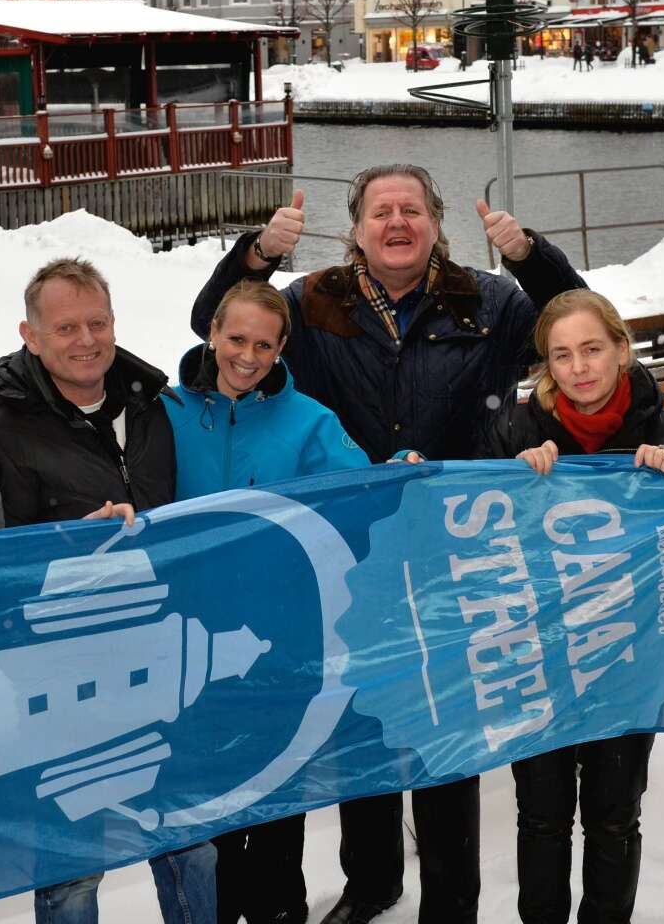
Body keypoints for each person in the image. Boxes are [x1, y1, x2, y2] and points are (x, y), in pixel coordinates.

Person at [190, 165, 585, 924]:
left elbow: (574, 317)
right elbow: (216, 324)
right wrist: (258, 255)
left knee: (445, 729)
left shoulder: (490, 301)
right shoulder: (311, 302)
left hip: (456, 547)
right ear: (357, 228)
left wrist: (529, 255)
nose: (396, 222)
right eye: (380, 211)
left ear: (436, 222)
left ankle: (451, 904)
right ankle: (372, 884)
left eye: (411, 209)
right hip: (352, 551)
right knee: (361, 719)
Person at [0, 256, 215, 924]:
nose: (86, 340)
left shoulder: (152, 406)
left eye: (97, 323)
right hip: (60, 674)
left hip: (157, 654)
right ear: (30, 336)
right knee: (73, 868)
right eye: (66, 327)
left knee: (191, 844)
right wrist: (70, 549)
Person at [482, 289, 664, 924]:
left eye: (593, 349)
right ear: (547, 364)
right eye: (562, 355)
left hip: (627, 655)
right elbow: (482, 542)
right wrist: (514, 482)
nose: (579, 368)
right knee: (541, 815)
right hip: (539, 655)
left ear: (622, 350)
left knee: (614, 814)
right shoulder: (517, 429)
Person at [164, 280, 368, 924]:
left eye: (264, 345)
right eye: (236, 339)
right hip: (187, 642)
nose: (247, 357)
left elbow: (359, 495)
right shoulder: (164, 411)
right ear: (212, 332)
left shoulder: (309, 420)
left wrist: (403, 467)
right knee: (210, 804)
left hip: (281, 640)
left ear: (282, 349)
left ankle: (280, 911)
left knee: (279, 797)